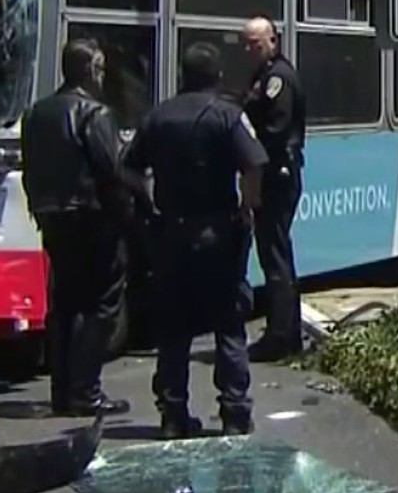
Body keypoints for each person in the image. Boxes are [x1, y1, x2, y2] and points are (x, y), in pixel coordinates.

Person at [125, 43, 269, 440]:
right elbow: (255, 163)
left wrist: (150, 200)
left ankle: (173, 414)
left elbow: (129, 169)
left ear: (182, 75)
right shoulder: (227, 115)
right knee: (228, 324)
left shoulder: (157, 117)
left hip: (171, 231)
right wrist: (247, 206)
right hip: (218, 231)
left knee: (173, 327)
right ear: (218, 76)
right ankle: (235, 413)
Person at [18, 40, 133, 418]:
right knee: (101, 305)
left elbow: (30, 168)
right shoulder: (94, 114)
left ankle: (62, 391)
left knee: (64, 304)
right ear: (88, 71)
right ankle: (85, 392)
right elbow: (110, 171)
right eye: (99, 69)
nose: (102, 76)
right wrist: (126, 213)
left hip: (52, 217)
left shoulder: (35, 113)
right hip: (92, 218)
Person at [239, 15, 307, 364]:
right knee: (274, 254)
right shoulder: (261, 77)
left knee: (275, 256)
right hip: (272, 175)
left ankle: (282, 336)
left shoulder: (278, 79)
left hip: (277, 176)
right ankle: (285, 331)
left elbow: (275, 130)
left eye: (256, 42)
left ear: (273, 41)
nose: (250, 49)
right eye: (247, 43)